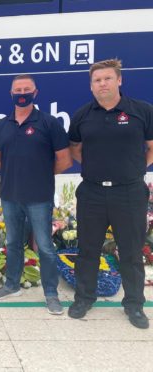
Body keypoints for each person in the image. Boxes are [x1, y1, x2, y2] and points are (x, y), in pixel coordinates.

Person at [68, 59, 153, 329]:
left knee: (129, 252)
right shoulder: (82, 115)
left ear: (119, 80)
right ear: (91, 86)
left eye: (107, 79)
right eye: (96, 80)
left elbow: (151, 146)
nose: (102, 84)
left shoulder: (141, 111)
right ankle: (84, 298)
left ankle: (134, 305)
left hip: (129, 193)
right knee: (87, 250)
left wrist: (137, 168)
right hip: (92, 192)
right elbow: (75, 149)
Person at [0, 75, 73, 314]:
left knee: (45, 247)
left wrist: (41, 174)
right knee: (13, 243)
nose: (22, 92)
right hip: (10, 195)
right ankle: (12, 285)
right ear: (11, 94)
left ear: (35, 93)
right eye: (18, 89)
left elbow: (65, 160)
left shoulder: (49, 123)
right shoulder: (1, 125)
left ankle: (51, 293)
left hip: (39, 196)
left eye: (27, 89)